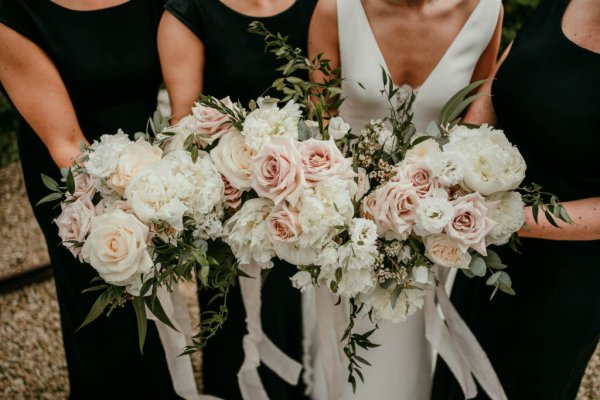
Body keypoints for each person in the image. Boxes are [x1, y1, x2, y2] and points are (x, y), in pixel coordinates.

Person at [307, 0, 503, 398]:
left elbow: (477, 126)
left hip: (435, 232)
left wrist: (437, 212)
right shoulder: (335, 9)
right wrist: (346, 211)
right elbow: (318, 126)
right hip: (348, 230)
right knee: (347, 360)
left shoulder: (486, 10)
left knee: (418, 360)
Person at [0, 1, 180, 398]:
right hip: (70, 181)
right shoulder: (13, 13)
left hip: (150, 168)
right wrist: (133, 208)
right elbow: (66, 143)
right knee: (104, 313)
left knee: (157, 303)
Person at [432, 0, 600, 398]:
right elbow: (497, 85)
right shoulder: (562, 3)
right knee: (457, 381)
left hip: (564, 278)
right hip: (485, 254)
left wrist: (506, 220)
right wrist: (459, 162)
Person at [157, 1, 317, 398]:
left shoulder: (321, 6)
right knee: (226, 317)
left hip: (301, 196)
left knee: (293, 312)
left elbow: (324, 108)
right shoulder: (189, 10)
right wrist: (231, 184)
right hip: (223, 200)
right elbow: (184, 126)